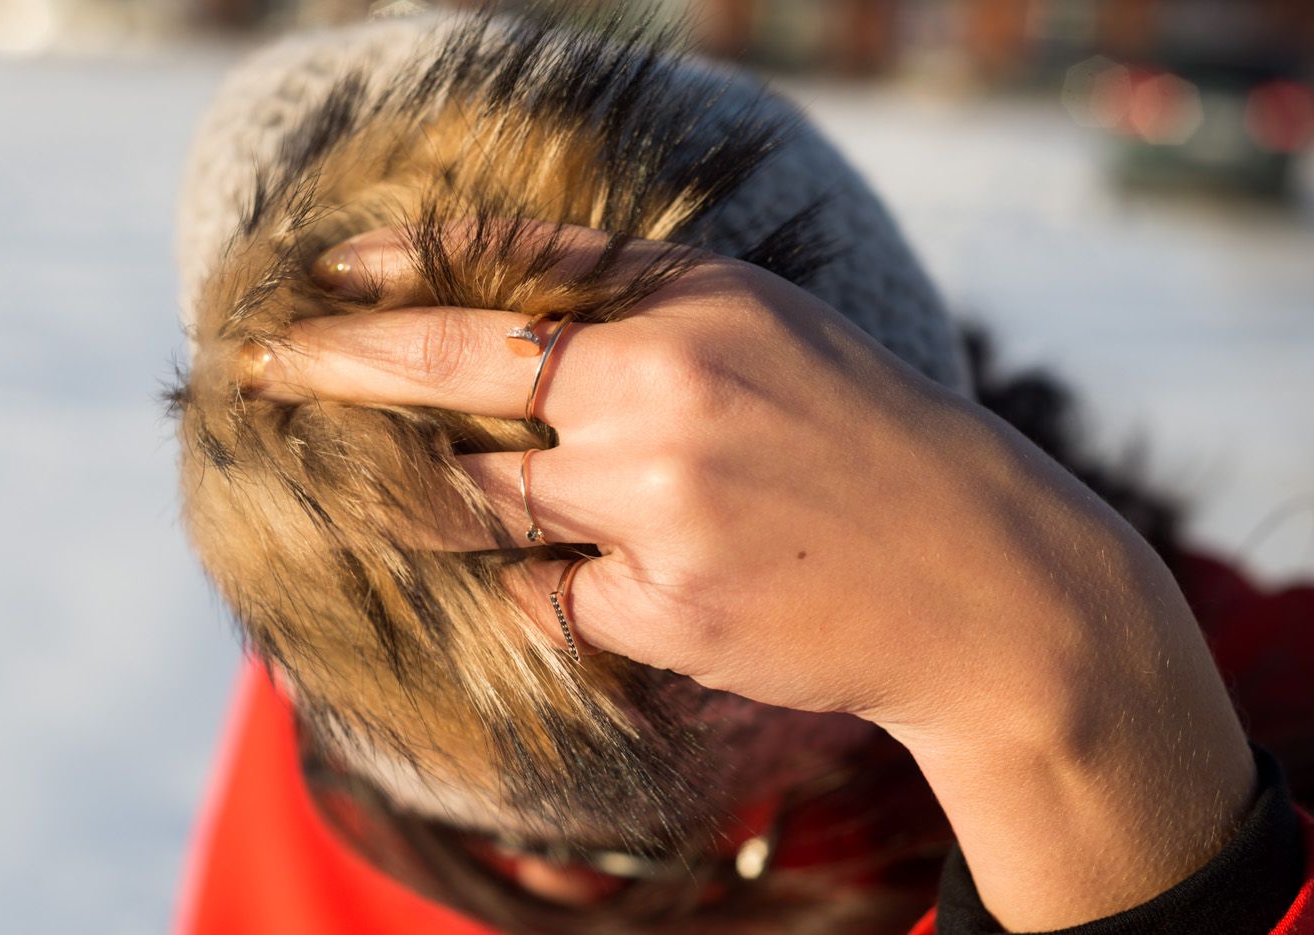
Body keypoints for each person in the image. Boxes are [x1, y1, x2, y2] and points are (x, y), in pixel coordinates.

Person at [169, 9, 1314, 934]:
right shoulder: (348, 638)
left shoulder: (1251, 706)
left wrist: (1086, 736)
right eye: (514, 835)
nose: (559, 881)